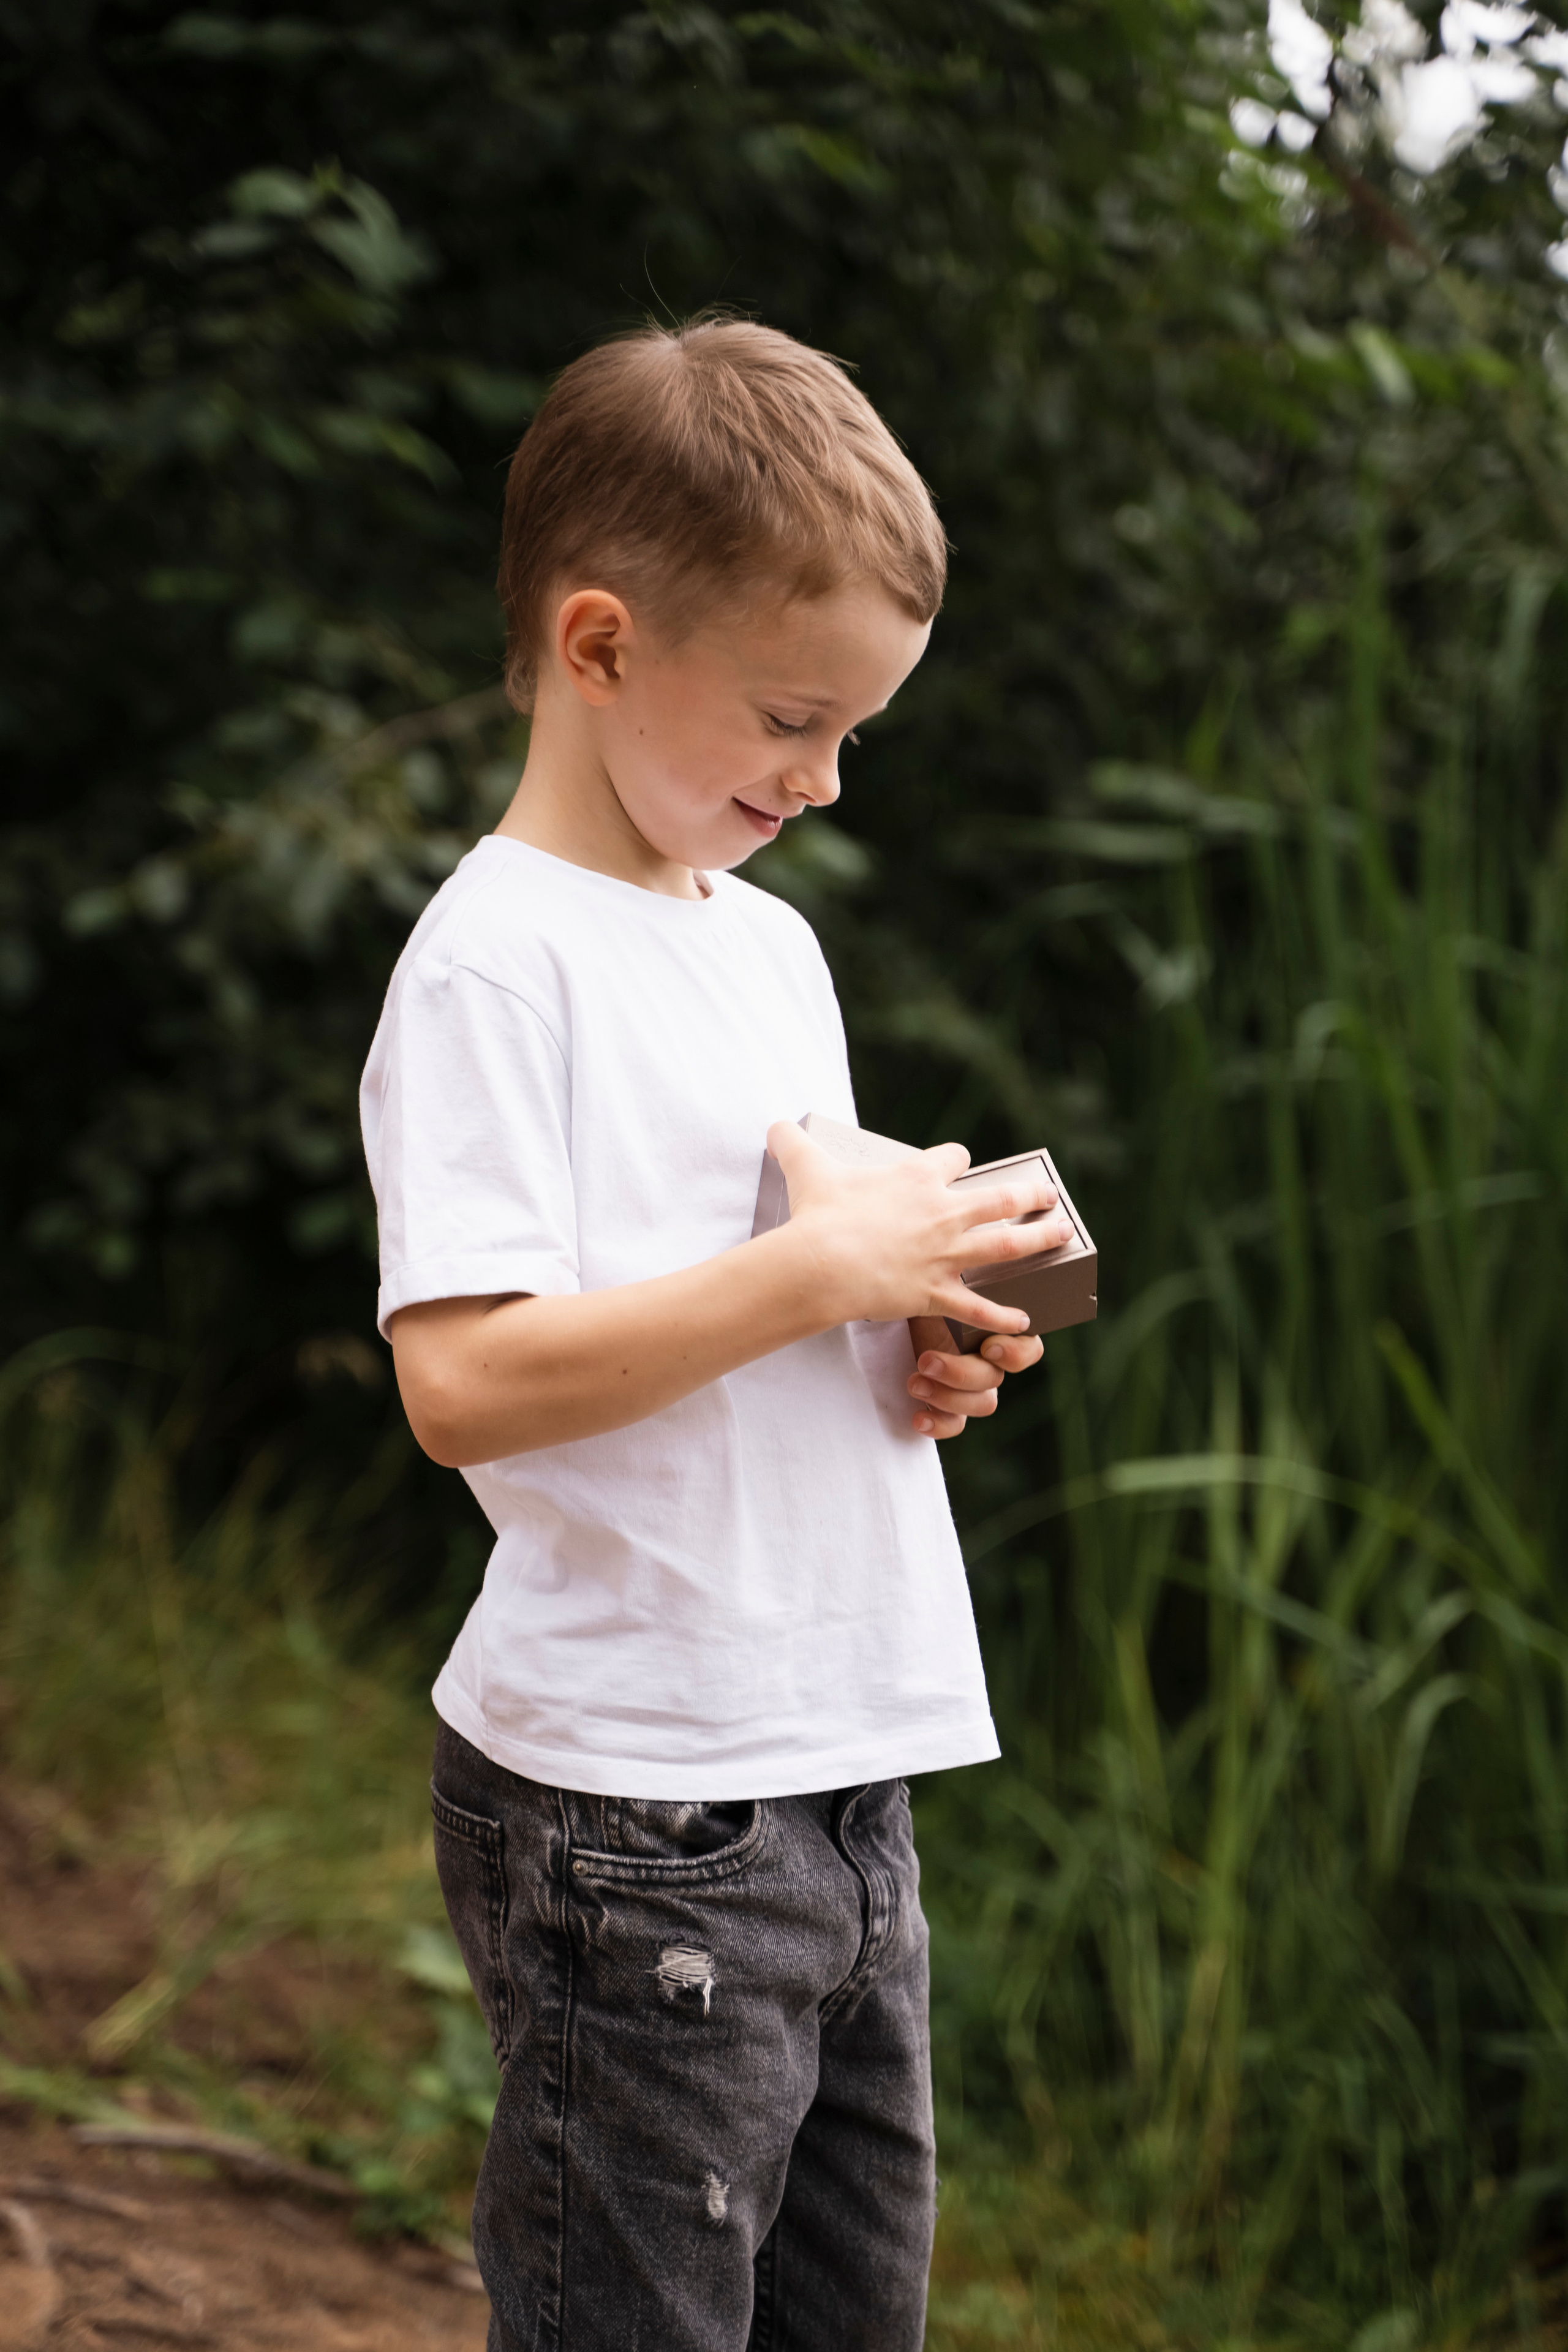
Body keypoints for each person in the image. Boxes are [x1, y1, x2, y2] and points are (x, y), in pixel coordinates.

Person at [360, 316, 1068, 2352]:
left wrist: (918, 1342)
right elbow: (464, 1379)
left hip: (848, 1767)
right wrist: (810, 1279)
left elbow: (773, 1299)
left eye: (856, 733)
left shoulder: (771, 948)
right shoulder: (496, 966)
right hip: (638, 1807)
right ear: (598, 646)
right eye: (788, 716)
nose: (823, 779)